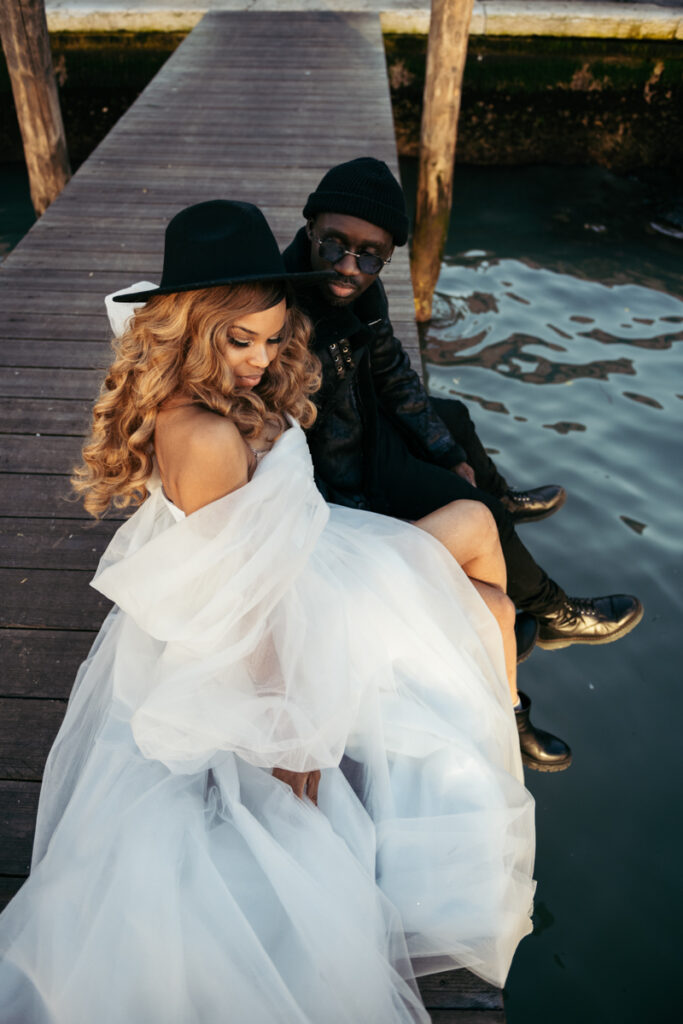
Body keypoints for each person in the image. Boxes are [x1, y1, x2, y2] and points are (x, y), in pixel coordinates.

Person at [0, 200, 536, 1023]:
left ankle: (497, 719)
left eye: (271, 336)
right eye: (237, 340)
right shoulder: (205, 436)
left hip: (315, 558)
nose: (259, 359)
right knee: (489, 606)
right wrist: (291, 732)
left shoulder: (208, 389)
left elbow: (265, 541)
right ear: (189, 328)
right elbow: (242, 608)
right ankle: (486, 755)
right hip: (281, 611)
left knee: (473, 529)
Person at [281, 160, 644, 725]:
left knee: (454, 419)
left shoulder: (361, 292)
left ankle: (500, 499)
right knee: (469, 508)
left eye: (370, 256)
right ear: (310, 228)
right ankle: (552, 612)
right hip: (346, 480)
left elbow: (395, 374)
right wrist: (409, 499)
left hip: (359, 428)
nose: (349, 268)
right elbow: (299, 457)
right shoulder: (280, 315)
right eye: (334, 246)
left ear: (387, 257)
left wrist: (448, 451)